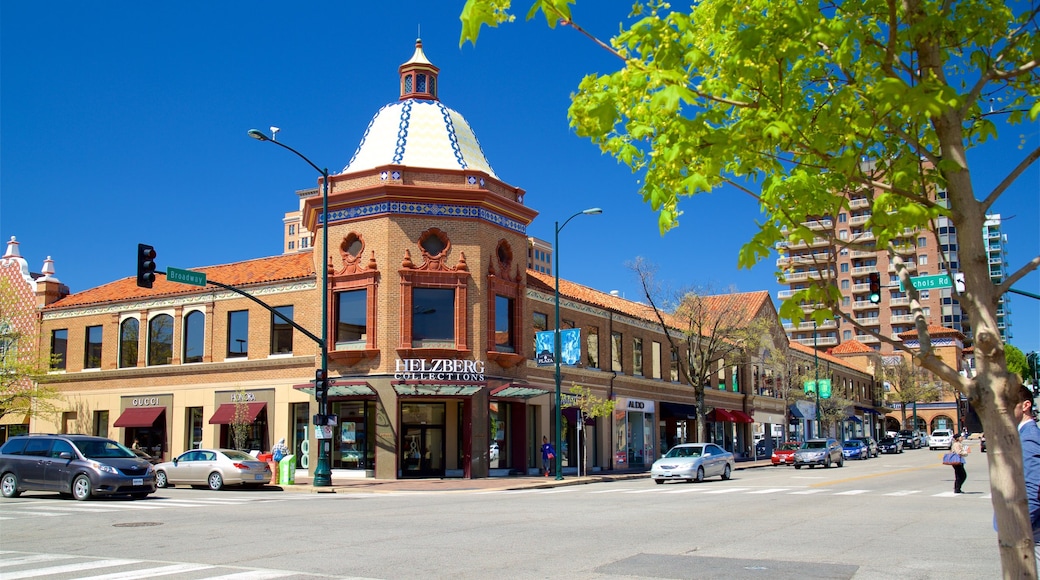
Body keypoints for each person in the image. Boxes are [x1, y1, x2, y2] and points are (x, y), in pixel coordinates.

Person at [1013, 384, 1040, 562]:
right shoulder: (1022, 434)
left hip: (1033, 530)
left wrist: (1016, 527)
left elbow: (1033, 486)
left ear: (1025, 405)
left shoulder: (1028, 436)